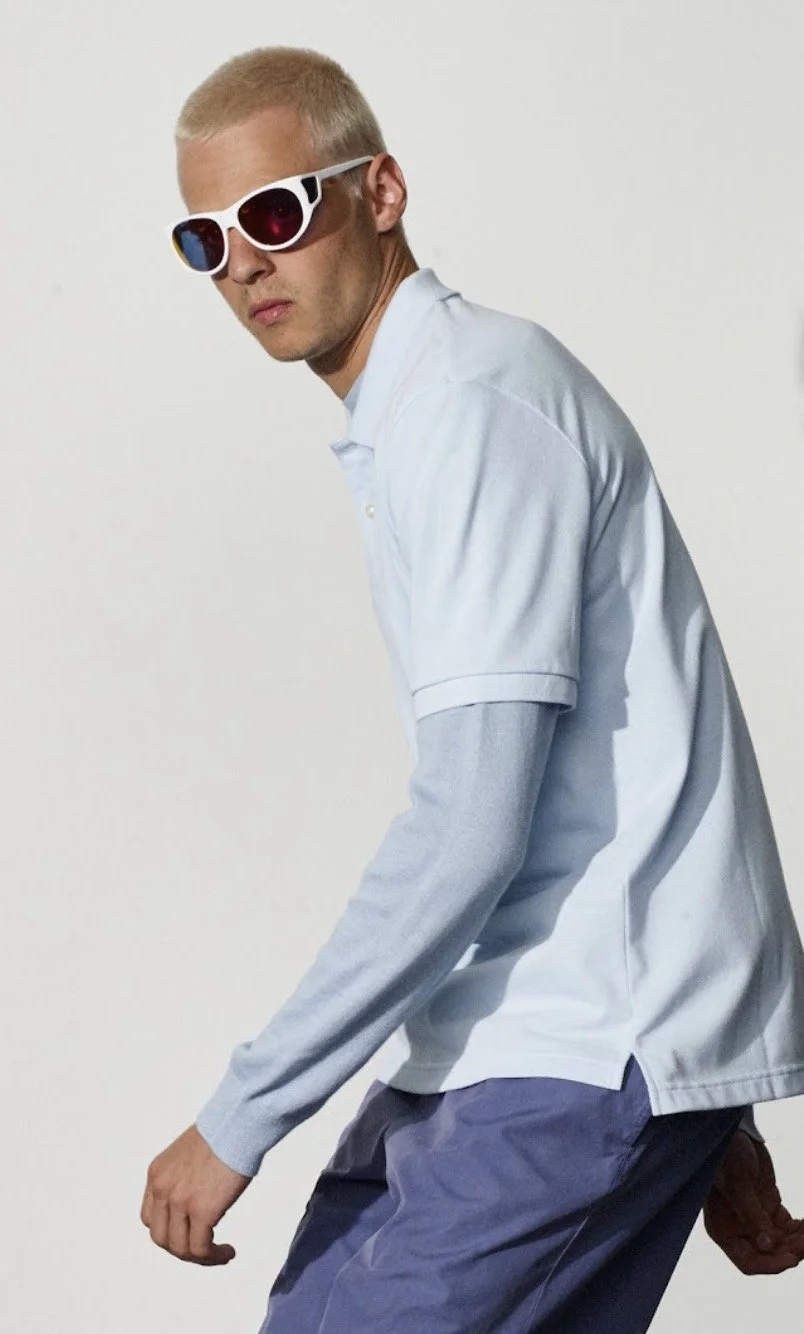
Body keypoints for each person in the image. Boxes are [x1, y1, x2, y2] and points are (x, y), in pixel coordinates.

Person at [140, 45, 804, 1331]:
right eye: (206, 240)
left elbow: (471, 823)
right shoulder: (423, 410)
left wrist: (241, 1111)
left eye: (274, 211)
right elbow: (612, 756)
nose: (246, 264)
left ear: (379, 191)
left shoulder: (471, 407)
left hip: (580, 1046)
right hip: (533, 1038)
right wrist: (704, 1104)